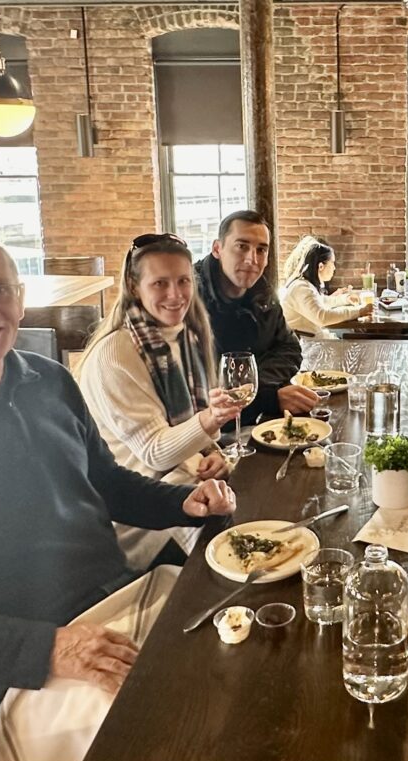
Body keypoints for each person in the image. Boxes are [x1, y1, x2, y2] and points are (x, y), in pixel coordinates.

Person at [0, 236, 236, 761]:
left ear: (20, 299)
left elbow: (106, 484)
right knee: (180, 728)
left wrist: (185, 504)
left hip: (110, 602)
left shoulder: (51, 381)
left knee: (236, 653)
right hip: (6, 667)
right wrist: (49, 648)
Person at [76, 233, 243, 571]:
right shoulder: (115, 354)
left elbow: (189, 432)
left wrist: (215, 455)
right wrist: (212, 420)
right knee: (242, 549)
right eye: (160, 283)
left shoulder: (186, 336)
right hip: (141, 519)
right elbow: (155, 451)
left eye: (183, 281)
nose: (175, 295)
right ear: (134, 286)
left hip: (186, 483)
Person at [195, 210, 318, 424]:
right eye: (242, 246)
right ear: (217, 248)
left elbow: (289, 348)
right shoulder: (190, 298)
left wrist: (255, 386)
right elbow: (202, 387)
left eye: (261, 250)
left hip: (255, 420)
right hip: (206, 435)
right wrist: (267, 397)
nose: (252, 259)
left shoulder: (263, 291)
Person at [281, 235, 371, 337]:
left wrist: (345, 299)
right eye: (332, 263)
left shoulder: (305, 285)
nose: (334, 268)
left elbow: (321, 301)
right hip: (309, 346)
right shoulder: (301, 288)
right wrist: (359, 311)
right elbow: (323, 317)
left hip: (315, 340)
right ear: (320, 266)